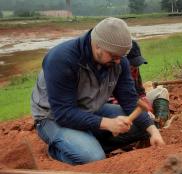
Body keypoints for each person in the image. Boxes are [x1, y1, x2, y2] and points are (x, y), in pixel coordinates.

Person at [31, 17, 165, 165]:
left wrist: (153, 131)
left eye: (121, 57)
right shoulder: (61, 59)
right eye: (114, 56)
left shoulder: (118, 61)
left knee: (145, 127)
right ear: (97, 45)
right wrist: (107, 123)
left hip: (89, 109)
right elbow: (63, 113)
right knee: (93, 158)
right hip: (53, 117)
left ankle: (85, 141)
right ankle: (60, 149)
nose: (118, 61)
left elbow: (129, 100)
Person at [109, 40, 170, 128]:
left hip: (136, 103)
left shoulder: (135, 69)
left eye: (137, 64)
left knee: (161, 91)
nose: (135, 67)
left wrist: (145, 103)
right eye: (132, 64)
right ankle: (148, 123)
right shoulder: (112, 72)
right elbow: (112, 101)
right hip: (123, 108)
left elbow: (140, 91)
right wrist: (140, 109)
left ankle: (159, 121)